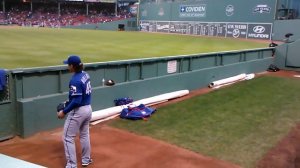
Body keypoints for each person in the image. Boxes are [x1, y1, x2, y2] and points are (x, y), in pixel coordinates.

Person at [57, 55, 93, 168]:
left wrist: (64, 111)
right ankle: (86, 160)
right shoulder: (85, 74)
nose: (67, 66)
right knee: (84, 134)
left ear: (72, 66)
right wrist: (68, 101)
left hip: (79, 111)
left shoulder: (75, 80)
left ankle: (72, 165)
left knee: (67, 137)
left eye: (68, 64)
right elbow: (79, 95)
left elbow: (77, 101)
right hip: (88, 109)